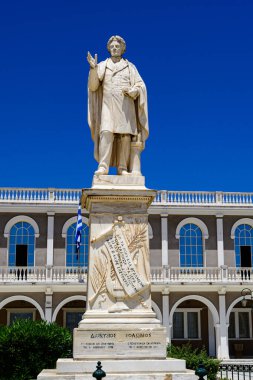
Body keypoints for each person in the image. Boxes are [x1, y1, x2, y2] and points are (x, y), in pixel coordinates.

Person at [87, 35, 149, 176]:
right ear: (109, 49)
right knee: (106, 133)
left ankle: (123, 168)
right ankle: (103, 166)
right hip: (107, 106)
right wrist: (93, 69)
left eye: (117, 46)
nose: (115, 49)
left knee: (125, 136)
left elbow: (141, 85)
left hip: (125, 106)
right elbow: (93, 86)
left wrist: (135, 91)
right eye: (112, 47)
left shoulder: (130, 67)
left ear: (122, 49)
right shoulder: (102, 65)